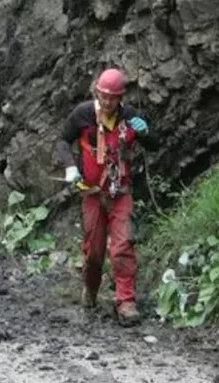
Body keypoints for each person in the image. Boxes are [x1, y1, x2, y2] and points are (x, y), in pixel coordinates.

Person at [55, 67, 155, 326]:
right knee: (94, 250)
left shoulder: (129, 116)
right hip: (91, 191)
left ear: (120, 97)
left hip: (120, 191)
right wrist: (69, 167)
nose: (106, 101)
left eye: (112, 97)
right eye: (102, 95)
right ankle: (90, 288)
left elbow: (152, 144)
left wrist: (145, 132)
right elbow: (63, 141)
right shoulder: (83, 114)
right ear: (96, 92)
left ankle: (126, 301)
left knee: (122, 246)